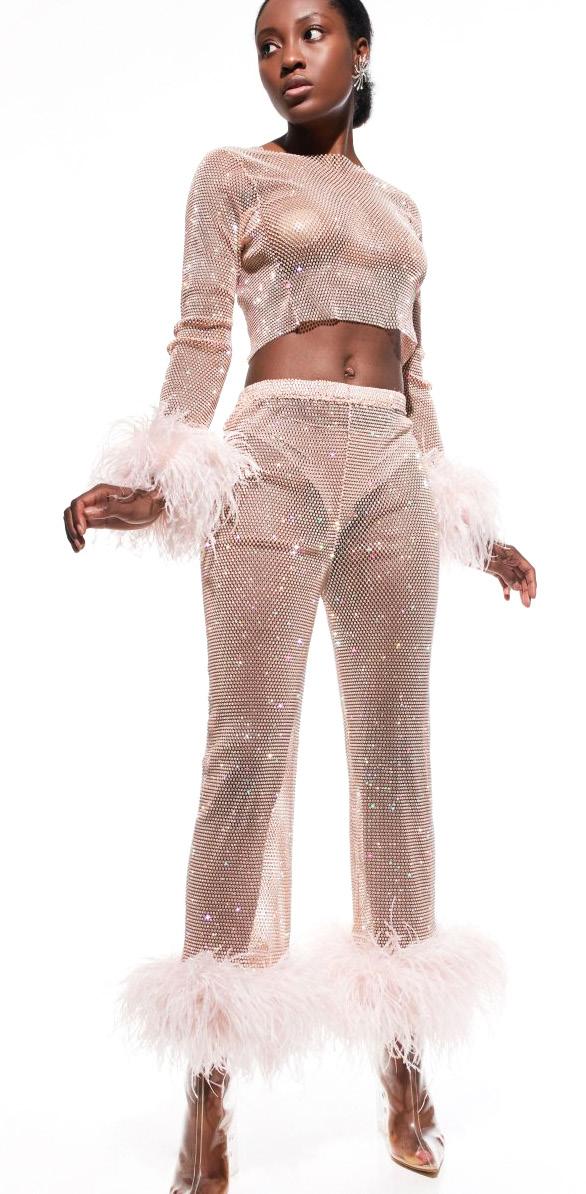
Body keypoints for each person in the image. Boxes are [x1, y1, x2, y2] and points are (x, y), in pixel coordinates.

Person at [64, 0, 537, 1188]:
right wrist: (156, 476)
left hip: (389, 472)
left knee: (396, 758)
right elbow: (198, 335)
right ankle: (206, 1104)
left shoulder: (402, 207)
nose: (286, 58)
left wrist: (474, 529)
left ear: (360, 50)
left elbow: (417, 371)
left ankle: (405, 1074)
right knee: (246, 754)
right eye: (268, 43)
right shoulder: (230, 173)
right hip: (270, 462)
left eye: (310, 33)